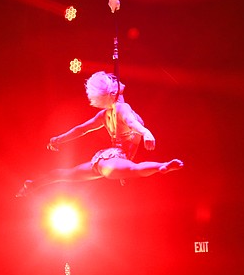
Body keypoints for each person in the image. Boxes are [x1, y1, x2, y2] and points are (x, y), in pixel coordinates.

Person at [16, 71, 183, 197]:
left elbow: (81, 129)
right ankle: (162, 166)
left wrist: (59, 139)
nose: (117, 79)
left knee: (67, 174)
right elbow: (132, 123)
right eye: (114, 81)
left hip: (106, 160)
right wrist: (146, 132)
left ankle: (33, 184)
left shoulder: (104, 114)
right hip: (111, 160)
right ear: (113, 93)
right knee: (135, 170)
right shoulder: (122, 108)